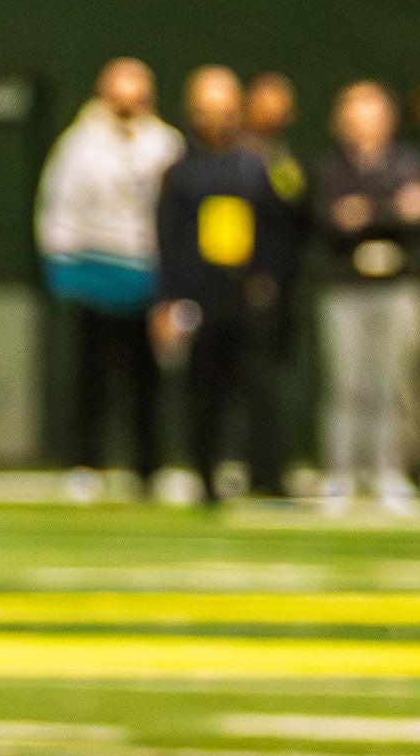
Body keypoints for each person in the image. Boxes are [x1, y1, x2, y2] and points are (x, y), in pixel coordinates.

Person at [35, 56, 181, 499]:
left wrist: (175, 280)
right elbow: (57, 205)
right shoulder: (79, 144)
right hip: (97, 272)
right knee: (92, 377)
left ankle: (149, 468)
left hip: (147, 274)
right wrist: (62, 264)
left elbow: (177, 214)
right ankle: (85, 464)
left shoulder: (165, 144)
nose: (128, 104)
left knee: (147, 379)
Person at [150, 68, 281, 505]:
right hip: (197, 297)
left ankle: (266, 472)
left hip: (245, 296)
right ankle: (205, 474)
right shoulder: (180, 173)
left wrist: (265, 280)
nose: (217, 120)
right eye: (208, 110)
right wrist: (168, 301)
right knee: (203, 391)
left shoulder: (255, 168)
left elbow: (273, 230)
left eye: (226, 110)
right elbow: (167, 240)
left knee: (258, 386)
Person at [313, 80, 420, 515]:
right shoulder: (330, 168)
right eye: (356, 113)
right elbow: (332, 218)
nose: (365, 123)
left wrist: (368, 211)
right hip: (344, 289)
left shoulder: (407, 160)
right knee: (346, 383)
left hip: (398, 288)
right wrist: (391, 209)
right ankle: (341, 474)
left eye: (374, 112)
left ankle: (389, 472)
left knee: (393, 384)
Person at [237, 72, 311, 495]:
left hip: (280, 287)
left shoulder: (286, 160)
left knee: (268, 380)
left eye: (281, 104)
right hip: (236, 286)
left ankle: (266, 467)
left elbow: (299, 216)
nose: (273, 112)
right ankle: (245, 466)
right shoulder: (236, 159)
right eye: (265, 102)